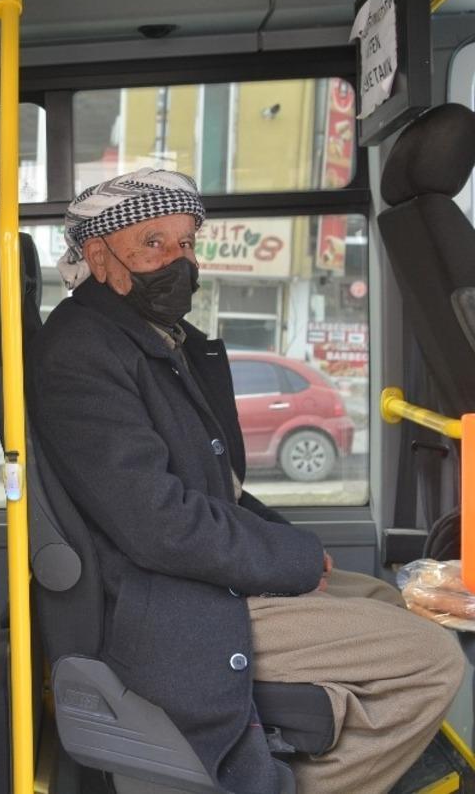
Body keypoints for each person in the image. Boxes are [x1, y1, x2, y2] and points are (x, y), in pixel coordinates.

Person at [28, 168, 466, 794]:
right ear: (98, 256)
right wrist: (288, 561)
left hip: (192, 579)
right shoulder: (82, 353)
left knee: (386, 602)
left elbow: (219, 491)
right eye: (154, 244)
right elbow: (159, 522)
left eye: (186, 244)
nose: (177, 261)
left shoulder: (158, 340)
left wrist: (294, 548)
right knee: (433, 661)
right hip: (164, 601)